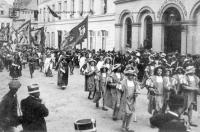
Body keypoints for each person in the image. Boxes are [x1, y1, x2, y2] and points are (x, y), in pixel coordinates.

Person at [120, 67, 140, 132]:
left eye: (132, 75)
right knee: (126, 113)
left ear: (133, 76)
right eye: (129, 75)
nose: (130, 76)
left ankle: (127, 126)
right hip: (125, 99)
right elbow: (120, 90)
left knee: (131, 113)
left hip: (132, 100)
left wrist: (136, 93)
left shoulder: (135, 83)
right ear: (127, 75)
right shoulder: (123, 82)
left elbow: (137, 90)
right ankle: (123, 126)